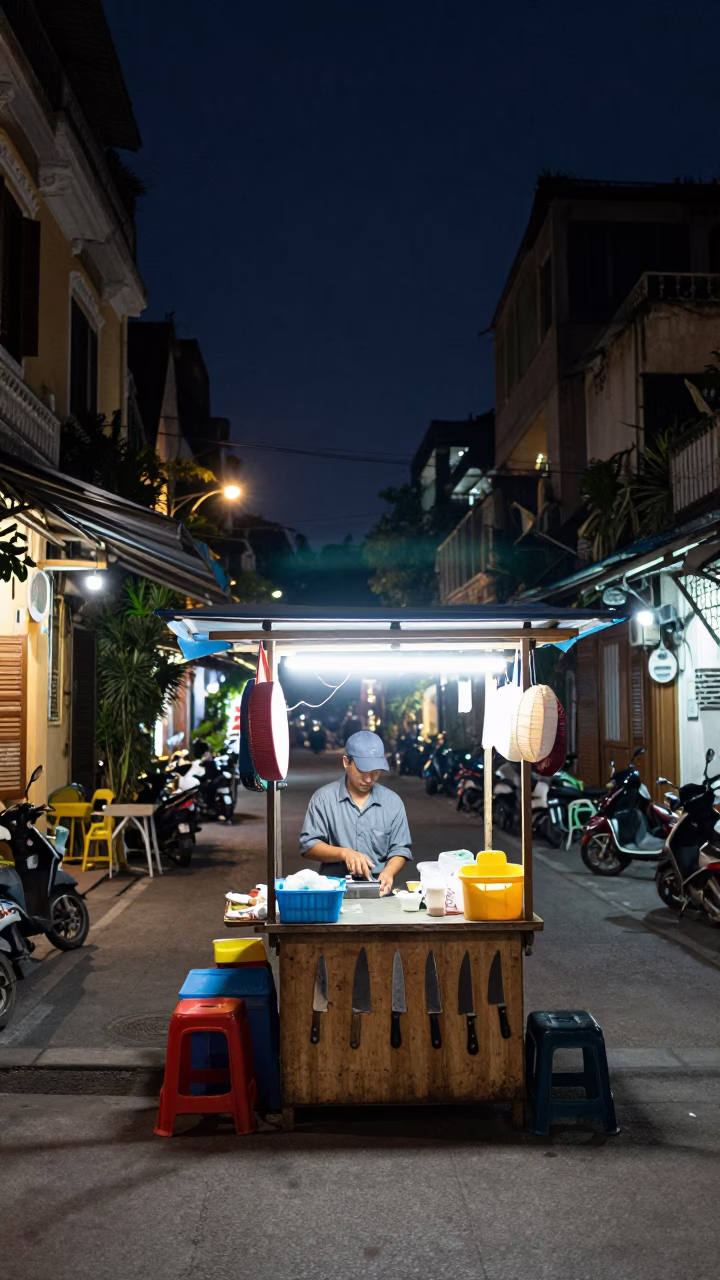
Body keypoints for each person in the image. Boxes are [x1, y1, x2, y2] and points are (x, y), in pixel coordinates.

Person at [299, 730, 412, 896]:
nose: (369, 779)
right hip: (333, 891)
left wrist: (389, 872)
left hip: (379, 892)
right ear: (346, 762)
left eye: (375, 772)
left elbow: (400, 849)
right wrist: (344, 853)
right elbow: (308, 846)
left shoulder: (393, 802)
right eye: (362, 771)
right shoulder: (323, 799)